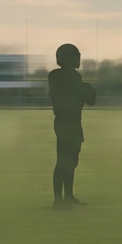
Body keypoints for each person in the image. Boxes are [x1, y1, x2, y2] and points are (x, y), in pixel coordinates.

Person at [48, 43, 96, 207]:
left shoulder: (57, 76)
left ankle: (66, 198)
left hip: (69, 122)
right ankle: (60, 199)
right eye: (77, 56)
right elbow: (85, 97)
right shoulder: (66, 77)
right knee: (65, 161)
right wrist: (85, 89)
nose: (79, 59)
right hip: (68, 122)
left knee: (70, 161)